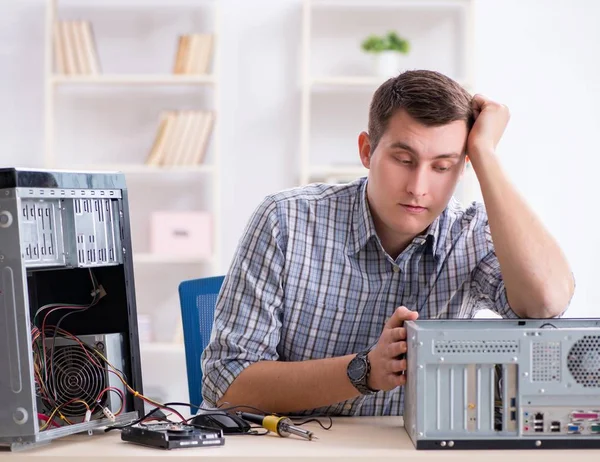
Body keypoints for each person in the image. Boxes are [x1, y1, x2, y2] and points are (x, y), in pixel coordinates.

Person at [201, 69, 574, 416]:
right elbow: (227, 382)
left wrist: (485, 155)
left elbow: (546, 302)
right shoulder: (286, 219)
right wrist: (364, 371)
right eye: (403, 159)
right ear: (366, 151)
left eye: (443, 167)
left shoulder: (470, 235)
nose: (418, 187)